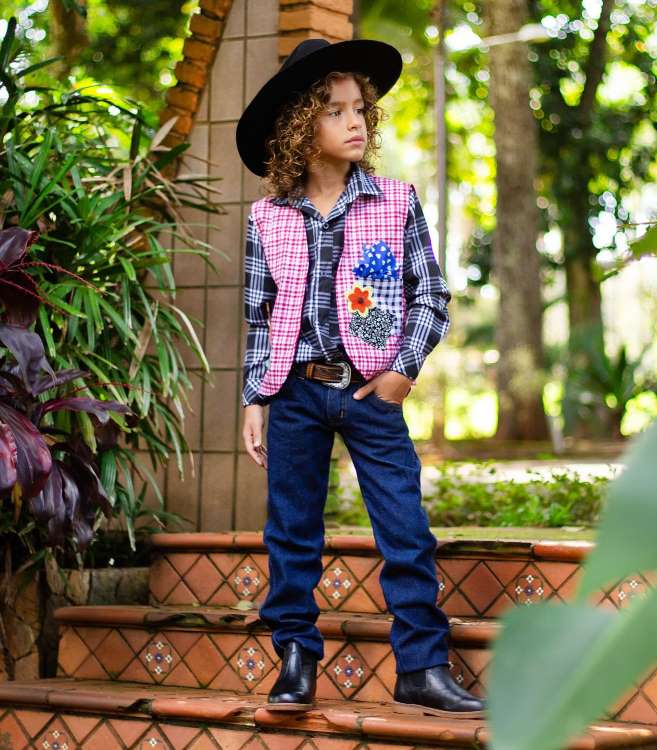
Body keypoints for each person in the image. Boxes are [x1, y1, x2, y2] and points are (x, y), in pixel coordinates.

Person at [234, 37, 484, 718]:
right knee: (291, 531)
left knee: (404, 528)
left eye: (361, 111)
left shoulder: (395, 202)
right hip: (293, 392)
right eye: (335, 111)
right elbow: (260, 316)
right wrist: (256, 396)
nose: (356, 123)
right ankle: (294, 656)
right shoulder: (267, 218)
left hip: (371, 392)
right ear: (298, 127)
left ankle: (422, 666)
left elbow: (431, 297)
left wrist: (402, 372)